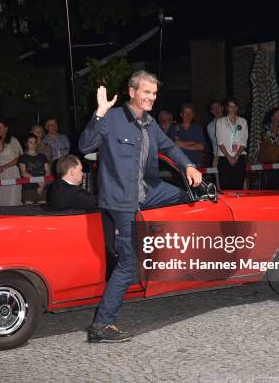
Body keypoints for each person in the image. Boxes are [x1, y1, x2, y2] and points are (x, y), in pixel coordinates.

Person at [79, 70, 202, 343]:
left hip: (149, 190)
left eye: (155, 93)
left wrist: (189, 166)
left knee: (188, 197)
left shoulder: (149, 123)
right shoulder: (112, 119)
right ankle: (101, 326)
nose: (151, 98)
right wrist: (99, 112)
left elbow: (169, 148)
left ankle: (173, 251)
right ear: (132, 92)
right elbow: (85, 144)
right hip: (122, 200)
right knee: (127, 265)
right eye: (147, 92)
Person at [216, 98, 248, 190]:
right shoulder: (220, 122)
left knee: (238, 187)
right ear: (227, 108)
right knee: (225, 188)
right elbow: (220, 142)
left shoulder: (243, 121)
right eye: (231, 106)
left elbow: (243, 142)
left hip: (239, 158)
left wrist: (236, 156)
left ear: (237, 108)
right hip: (224, 158)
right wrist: (229, 157)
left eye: (235, 106)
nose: (233, 109)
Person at [0, 118, 23, 206]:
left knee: (13, 202)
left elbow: (19, 158)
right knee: (2, 202)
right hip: (0, 175)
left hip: (12, 174)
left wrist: (3, 167)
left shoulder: (13, 140)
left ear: (6, 128)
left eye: (0, 127)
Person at [260, 108, 279, 190]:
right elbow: (272, 140)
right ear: (272, 117)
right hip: (269, 160)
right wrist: (275, 125)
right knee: (269, 184)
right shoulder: (266, 128)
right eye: (278, 114)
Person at [18, 134, 50, 204]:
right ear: (26, 143)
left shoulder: (42, 156)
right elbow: (23, 173)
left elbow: (48, 172)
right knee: (29, 211)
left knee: (42, 211)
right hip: (29, 188)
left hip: (43, 187)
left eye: (35, 142)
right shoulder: (23, 157)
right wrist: (39, 182)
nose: (33, 145)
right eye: (31, 142)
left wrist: (42, 185)